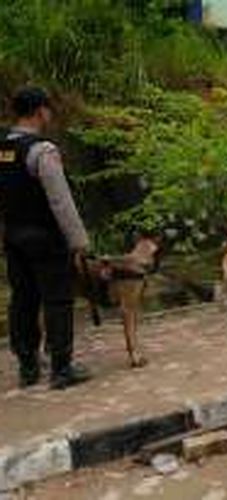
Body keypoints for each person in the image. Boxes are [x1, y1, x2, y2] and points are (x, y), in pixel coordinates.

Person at [0, 87, 91, 389]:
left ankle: (27, 366)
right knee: (57, 300)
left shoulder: (4, 149)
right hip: (45, 237)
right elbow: (60, 201)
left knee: (22, 299)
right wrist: (79, 241)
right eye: (48, 110)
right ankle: (61, 368)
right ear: (40, 111)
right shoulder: (42, 151)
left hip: (13, 236)